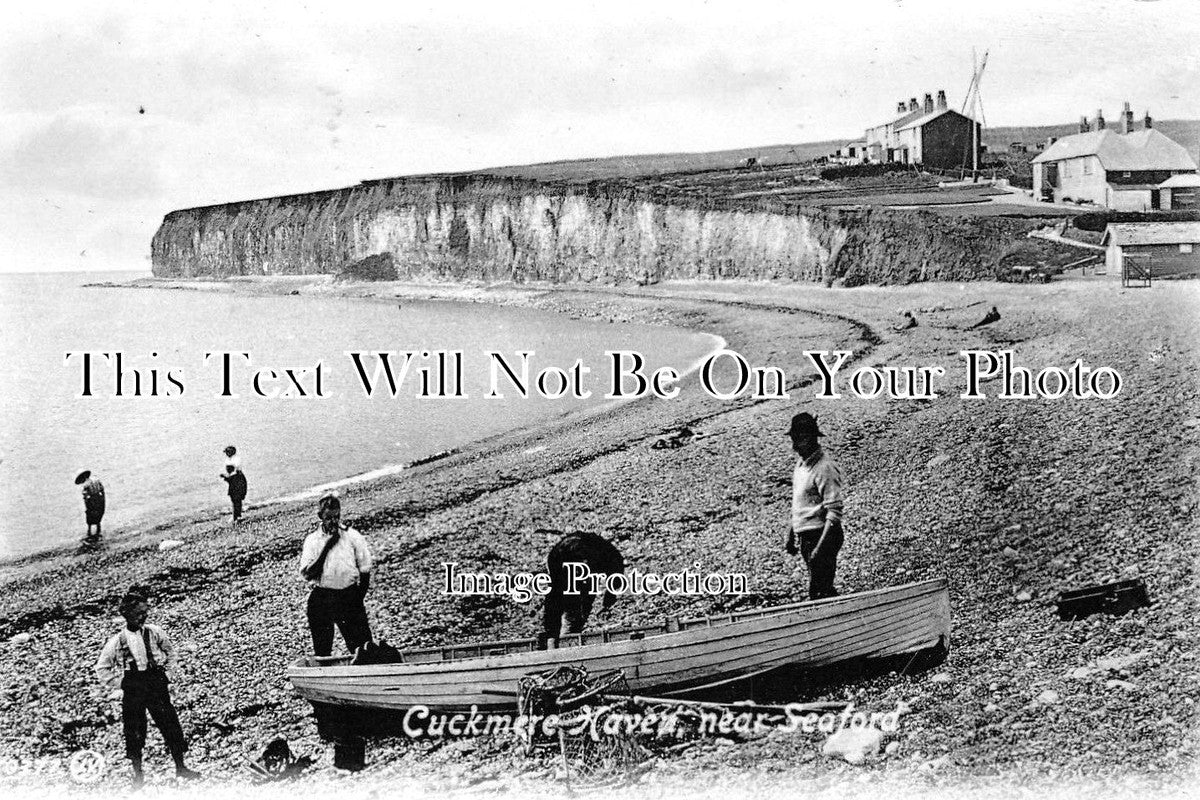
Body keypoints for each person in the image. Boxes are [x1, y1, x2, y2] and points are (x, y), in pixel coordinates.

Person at [94, 588, 201, 788]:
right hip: (133, 688)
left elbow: (170, 652)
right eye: (139, 613)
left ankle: (181, 767)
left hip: (155, 683)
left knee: (170, 724)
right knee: (134, 731)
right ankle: (138, 776)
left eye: (146, 612)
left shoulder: (154, 632)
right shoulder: (117, 641)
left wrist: (167, 673)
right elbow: (102, 668)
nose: (144, 616)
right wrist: (120, 684)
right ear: (127, 614)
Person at [299, 493, 374, 657]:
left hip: (348, 594)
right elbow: (308, 573)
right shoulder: (312, 540)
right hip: (323, 597)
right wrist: (327, 546)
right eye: (329, 518)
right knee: (322, 649)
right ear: (320, 517)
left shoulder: (352, 536)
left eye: (337, 517)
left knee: (363, 646)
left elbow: (365, 569)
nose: (333, 522)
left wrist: (357, 598)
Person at [784, 412, 845, 600]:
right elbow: (798, 502)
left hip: (821, 534)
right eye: (795, 439)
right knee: (820, 586)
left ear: (812, 438)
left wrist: (820, 548)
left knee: (819, 590)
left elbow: (834, 512)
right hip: (806, 536)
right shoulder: (801, 465)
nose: (797, 445)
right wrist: (791, 533)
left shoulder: (824, 468)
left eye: (802, 439)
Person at [542, 530, 625, 642]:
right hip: (566, 554)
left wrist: (607, 601)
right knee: (569, 605)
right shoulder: (605, 560)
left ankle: (560, 637)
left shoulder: (611, 560)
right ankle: (562, 638)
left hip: (572, 552)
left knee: (573, 603)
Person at [219, 446, 248, 522]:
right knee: (234, 498)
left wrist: (227, 476)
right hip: (234, 479)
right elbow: (231, 472)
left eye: (227, 452)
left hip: (237, 479)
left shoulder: (236, 459)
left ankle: (237, 516)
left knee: (237, 498)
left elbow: (235, 471)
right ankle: (236, 515)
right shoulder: (230, 460)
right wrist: (226, 476)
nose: (226, 454)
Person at [75, 470, 105, 538]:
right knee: (98, 516)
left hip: (92, 502)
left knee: (90, 518)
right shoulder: (96, 480)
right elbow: (102, 489)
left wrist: (87, 505)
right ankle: (98, 530)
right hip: (99, 500)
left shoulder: (85, 485)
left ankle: (89, 532)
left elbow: (86, 497)